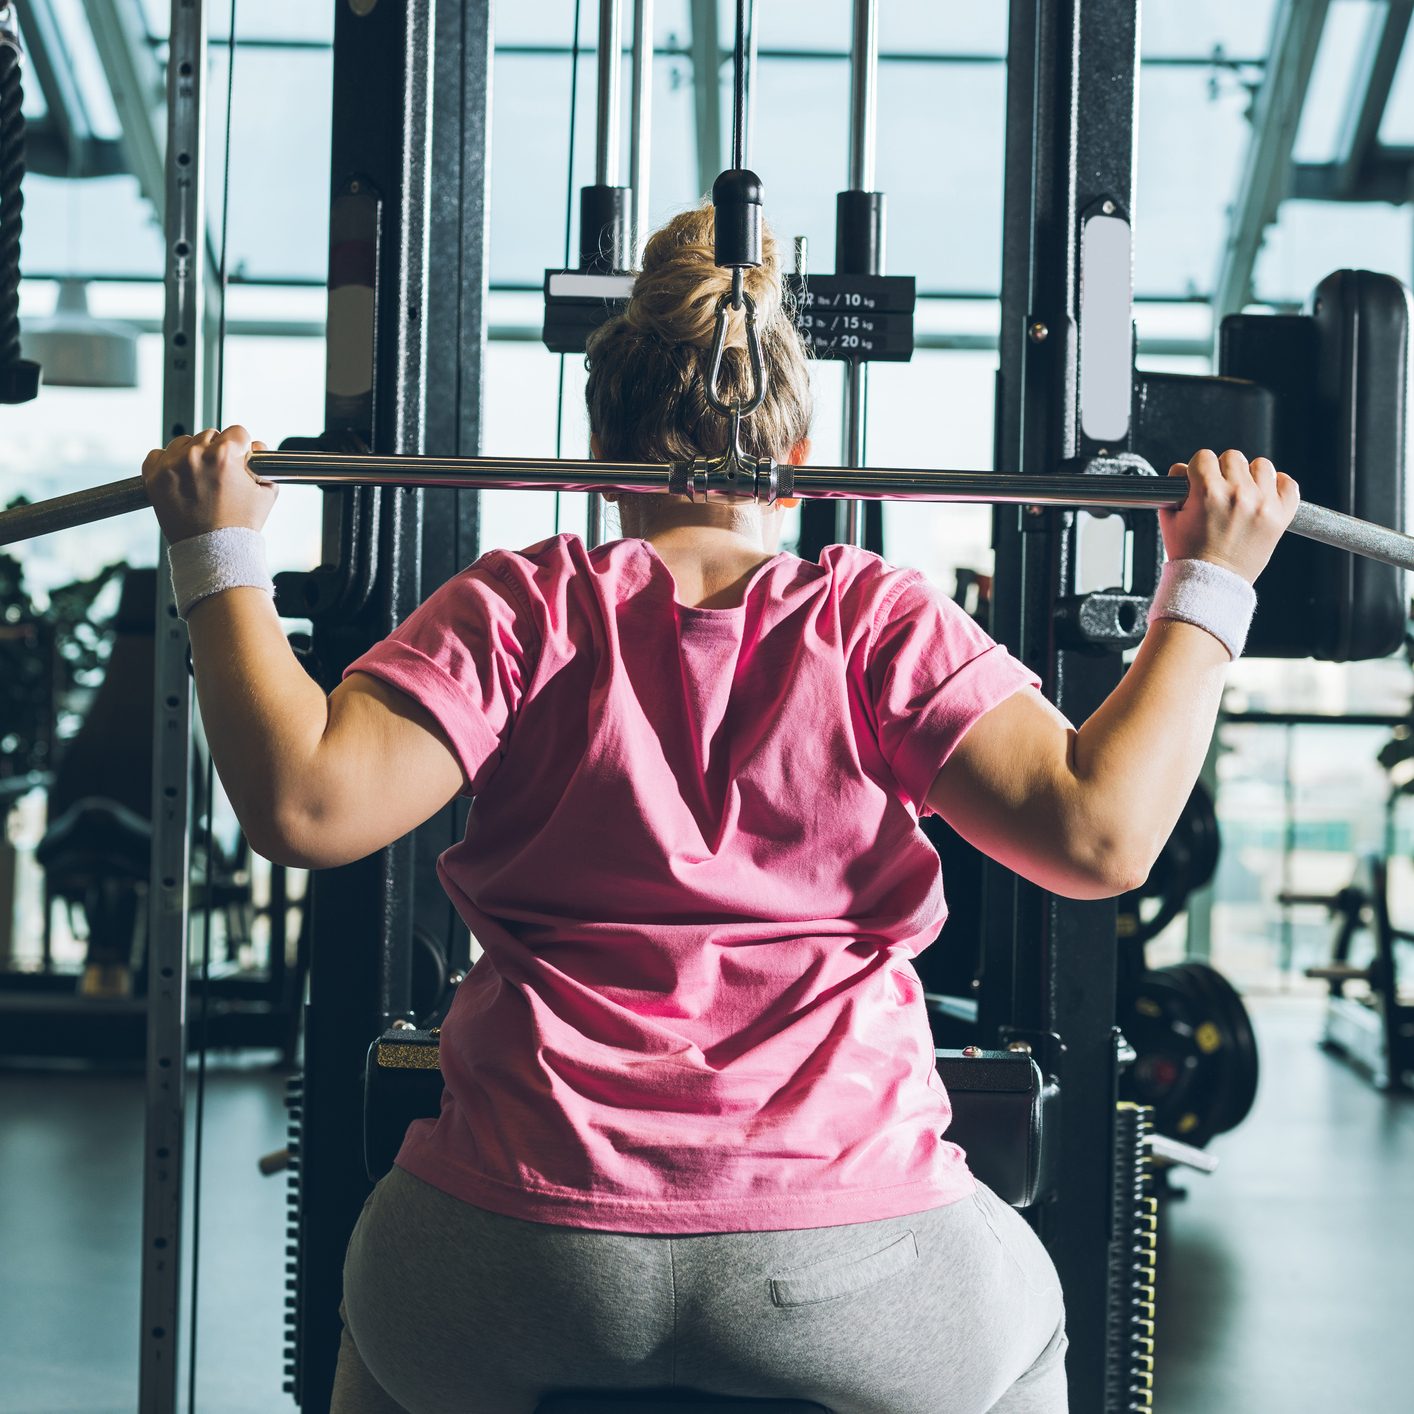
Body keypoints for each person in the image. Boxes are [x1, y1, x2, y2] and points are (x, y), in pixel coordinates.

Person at [139, 206, 1299, 1414]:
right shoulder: (872, 618)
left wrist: (218, 554)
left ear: (598, 443)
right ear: (794, 458)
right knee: (1029, 1338)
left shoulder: (528, 605)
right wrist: (1207, 584)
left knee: (385, 1347)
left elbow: (302, 805)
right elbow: (1099, 835)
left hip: (509, 1243)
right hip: (844, 1261)